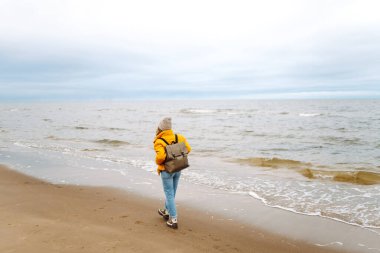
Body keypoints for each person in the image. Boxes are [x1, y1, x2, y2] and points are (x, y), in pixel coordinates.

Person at [153, 117, 191, 229]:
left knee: (169, 194)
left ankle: (173, 219)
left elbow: (160, 157)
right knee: (172, 193)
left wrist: (157, 161)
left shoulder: (159, 141)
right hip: (178, 168)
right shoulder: (179, 137)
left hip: (166, 171)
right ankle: (166, 211)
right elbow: (188, 149)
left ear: (160, 129)